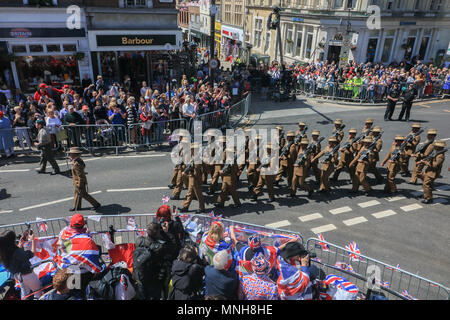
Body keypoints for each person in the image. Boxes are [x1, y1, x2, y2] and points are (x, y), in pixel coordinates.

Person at [133, 221, 175, 300]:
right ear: (157, 233)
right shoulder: (159, 247)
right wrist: (165, 232)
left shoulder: (139, 241)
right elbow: (172, 246)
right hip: (153, 279)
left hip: (140, 278)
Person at [0, 230, 42, 299]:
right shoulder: (18, 252)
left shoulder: (4, 252)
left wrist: (20, 244)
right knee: (38, 292)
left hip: (18, 276)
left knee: (25, 293)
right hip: (29, 276)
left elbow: (14, 253)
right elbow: (32, 253)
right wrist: (33, 240)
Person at [68, 147, 101, 211]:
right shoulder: (78, 160)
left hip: (80, 182)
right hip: (77, 182)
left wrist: (80, 185)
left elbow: (80, 176)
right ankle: (77, 206)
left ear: (74, 154)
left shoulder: (77, 164)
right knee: (77, 194)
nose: (70, 155)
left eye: (71, 153)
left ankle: (96, 204)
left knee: (84, 194)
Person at [179, 143, 206, 213]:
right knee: (189, 193)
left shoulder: (197, 158)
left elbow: (196, 169)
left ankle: (201, 208)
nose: (191, 150)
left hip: (195, 178)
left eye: (192, 149)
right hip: (192, 177)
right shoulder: (194, 157)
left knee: (198, 193)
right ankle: (185, 206)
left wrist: (186, 173)